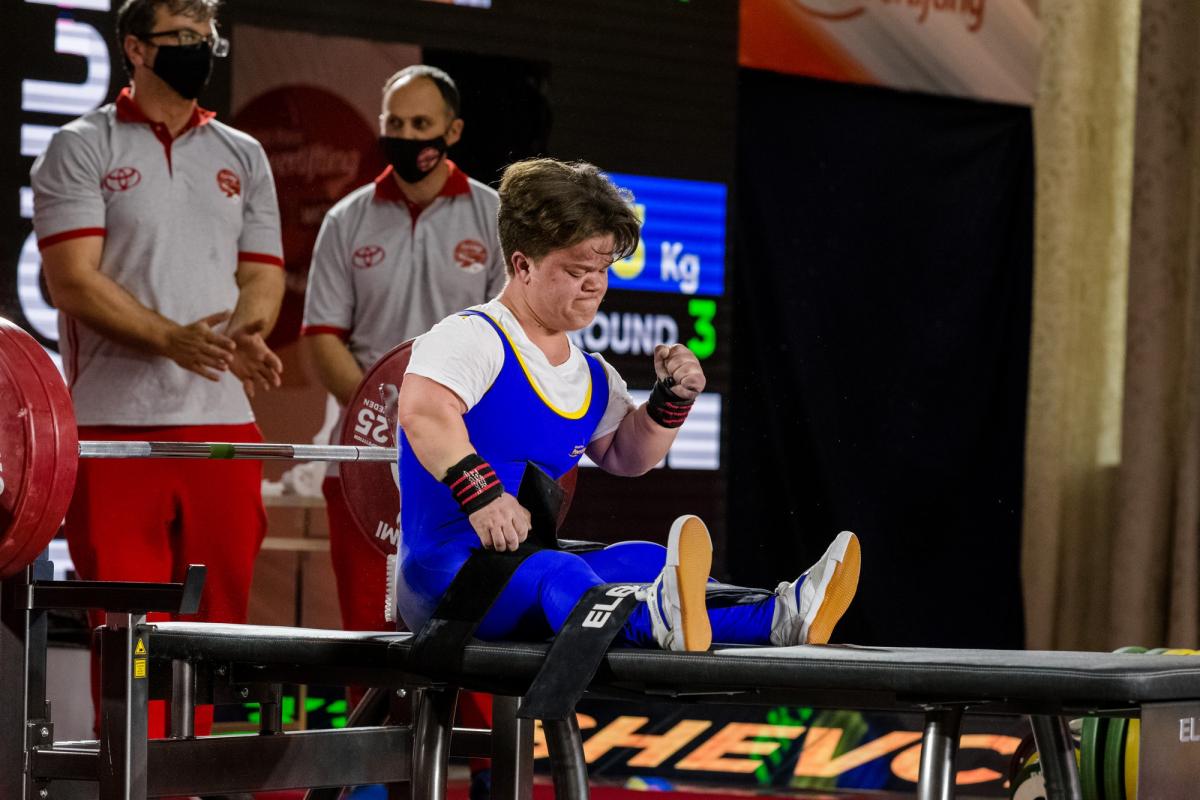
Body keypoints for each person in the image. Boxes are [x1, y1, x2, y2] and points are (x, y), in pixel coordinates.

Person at [395, 158, 860, 653]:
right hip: (444, 576)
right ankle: (651, 623)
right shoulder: (471, 336)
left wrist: (670, 400)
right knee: (562, 569)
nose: (595, 284)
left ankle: (781, 616)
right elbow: (422, 411)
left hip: (519, 563)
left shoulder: (593, 376)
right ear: (522, 265)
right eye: (577, 271)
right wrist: (483, 495)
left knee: (646, 561)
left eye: (601, 269)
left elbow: (628, 456)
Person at [31, 0, 285, 736]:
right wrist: (171, 338)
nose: (201, 50)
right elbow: (73, 281)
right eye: (183, 38)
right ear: (137, 49)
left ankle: (205, 764)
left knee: (221, 622)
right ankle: (131, 770)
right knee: (126, 624)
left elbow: (262, 276)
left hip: (224, 430)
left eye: (207, 38)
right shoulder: (81, 145)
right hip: (115, 431)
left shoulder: (243, 153)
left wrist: (249, 332)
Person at [300, 64, 503, 795]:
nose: (407, 137)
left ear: (451, 132)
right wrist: (389, 412)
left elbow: (507, 347)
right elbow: (322, 337)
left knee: (480, 634)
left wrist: (435, 426)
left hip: (469, 468)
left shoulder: (495, 218)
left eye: (422, 126)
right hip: (365, 467)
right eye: (397, 122)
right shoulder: (347, 219)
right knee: (373, 639)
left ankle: (488, 778)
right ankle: (369, 788)